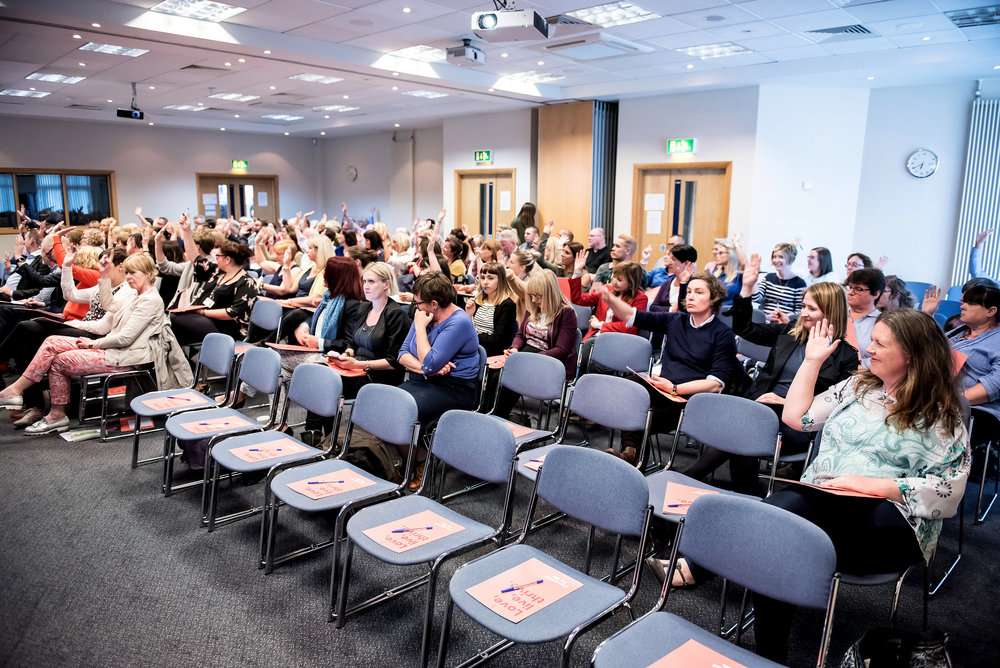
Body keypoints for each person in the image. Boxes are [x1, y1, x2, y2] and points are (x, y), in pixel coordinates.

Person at [750, 309, 969, 664]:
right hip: (824, 501)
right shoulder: (859, 385)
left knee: (782, 530)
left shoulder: (942, 414)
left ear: (911, 355)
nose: (868, 348)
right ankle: (769, 657)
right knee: (779, 527)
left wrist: (874, 486)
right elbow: (797, 418)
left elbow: (949, 490)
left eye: (881, 343)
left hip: (893, 521)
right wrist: (811, 362)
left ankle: (709, 565)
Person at [682, 274, 859, 493]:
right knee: (741, 427)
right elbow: (746, 329)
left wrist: (786, 401)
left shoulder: (845, 356)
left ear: (830, 312)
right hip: (761, 408)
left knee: (740, 429)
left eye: (811, 309)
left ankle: (690, 479)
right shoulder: (791, 332)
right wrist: (746, 288)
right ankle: (744, 493)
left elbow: (835, 406)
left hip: (797, 423)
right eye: (803, 306)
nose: (803, 313)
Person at [0, 254, 192, 434]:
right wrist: (105, 275)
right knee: (51, 342)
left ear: (148, 274)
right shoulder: (135, 295)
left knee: (58, 360)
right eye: (127, 273)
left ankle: (54, 414)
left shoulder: (150, 300)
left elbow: (124, 339)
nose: (129, 277)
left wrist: (93, 344)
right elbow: (109, 305)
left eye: (133, 273)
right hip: (116, 349)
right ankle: (20, 392)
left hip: (127, 356)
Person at [596, 271, 736, 466]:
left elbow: (715, 384)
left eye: (699, 292)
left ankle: (632, 457)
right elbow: (632, 315)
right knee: (630, 390)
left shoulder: (722, 334)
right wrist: (609, 298)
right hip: (663, 388)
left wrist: (675, 389)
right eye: (689, 292)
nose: (691, 296)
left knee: (641, 412)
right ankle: (631, 455)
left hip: (689, 398)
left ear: (714, 299)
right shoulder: (675, 320)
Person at [398, 271, 481, 489]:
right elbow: (402, 354)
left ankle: (420, 461)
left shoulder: (459, 321)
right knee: (388, 404)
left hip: (454, 389)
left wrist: (418, 328)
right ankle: (414, 458)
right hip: (425, 381)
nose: (416, 308)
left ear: (434, 304)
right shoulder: (425, 316)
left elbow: (427, 361)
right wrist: (428, 370)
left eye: (418, 303)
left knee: (402, 411)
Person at [495, 269, 579, 419]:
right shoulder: (533, 307)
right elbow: (521, 335)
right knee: (496, 376)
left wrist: (530, 358)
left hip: (551, 361)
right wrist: (514, 348)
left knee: (512, 377)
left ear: (550, 294)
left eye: (538, 296)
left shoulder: (567, 313)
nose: (533, 300)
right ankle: (492, 417)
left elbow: (562, 350)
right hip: (528, 355)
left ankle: (498, 418)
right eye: (531, 295)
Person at [169, 241, 257, 345]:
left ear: (227, 259)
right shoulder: (217, 272)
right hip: (203, 319)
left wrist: (203, 312)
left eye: (218, 256)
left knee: (173, 320)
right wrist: (186, 230)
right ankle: (179, 357)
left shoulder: (247, 283)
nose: (216, 258)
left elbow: (233, 313)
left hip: (225, 327)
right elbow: (195, 258)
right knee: (172, 324)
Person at [948, 284, 1000, 421]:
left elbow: (995, 385)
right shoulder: (959, 331)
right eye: (964, 302)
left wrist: (948, 402)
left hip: (975, 411)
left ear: (991, 311)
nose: (962, 306)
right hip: (940, 400)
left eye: (970, 303)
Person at [570, 255, 647, 343]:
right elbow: (578, 299)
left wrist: (599, 325)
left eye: (619, 280)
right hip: (595, 337)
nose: (614, 282)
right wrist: (577, 272)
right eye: (614, 277)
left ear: (631, 283)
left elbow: (629, 327)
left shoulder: (640, 298)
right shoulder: (607, 289)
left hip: (619, 341)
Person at [464, 262, 517, 356]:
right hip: (473, 345)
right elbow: (469, 328)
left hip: (489, 352)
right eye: (483, 277)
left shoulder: (507, 305)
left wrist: (474, 336)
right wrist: (469, 315)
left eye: (490, 278)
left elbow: (498, 341)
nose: (485, 282)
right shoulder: (478, 300)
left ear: (500, 280)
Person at [752, 242, 806, 322]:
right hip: (765, 321)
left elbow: (800, 311)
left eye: (781, 257)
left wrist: (781, 316)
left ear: (790, 259)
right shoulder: (769, 277)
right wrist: (754, 280)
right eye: (774, 257)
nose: (776, 260)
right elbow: (756, 298)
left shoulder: (799, 283)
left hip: (784, 324)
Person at [845, 267, 885, 368]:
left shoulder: (882, 323)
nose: (850, 293)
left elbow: (883, 357)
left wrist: (860, 366)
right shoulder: (838, 315)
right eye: (850, 287)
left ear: (876, 294)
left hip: (862, 375)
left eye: (858, 289)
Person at [704, 237, 743, 308]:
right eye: (716, 253)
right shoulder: (715, 274)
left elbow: (744, 263)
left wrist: (736, 244)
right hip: (715, 312)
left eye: (720, 253)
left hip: (733, 313)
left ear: (730, 254)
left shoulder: (739, 275)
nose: (716, 255)